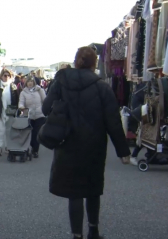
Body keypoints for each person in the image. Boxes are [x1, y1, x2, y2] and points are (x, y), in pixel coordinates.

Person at [42, 47, 131, 239]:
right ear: (94, 63)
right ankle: (93, 230)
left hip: (67, 143)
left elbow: (45, 108)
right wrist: (123, 151)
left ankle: (76, 235)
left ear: (76, 61)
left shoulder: (61, 82)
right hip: (94, 145)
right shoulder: (102, 87)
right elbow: (113, 122)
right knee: (92, 189)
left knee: (74, 193)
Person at [0, 68, 19, 156]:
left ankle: (8, 147)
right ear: (1, 76)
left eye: (8, 75)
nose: (6, 77)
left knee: (9, 130)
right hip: (0, 111)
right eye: (5, 75)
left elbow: (17, 99)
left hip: (10, 111)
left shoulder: (13, 87)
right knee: (0, 130)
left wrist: (17, 110)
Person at [19, 77, 46, 158]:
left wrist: (41, 90)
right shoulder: (23, 92)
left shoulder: (39, 90)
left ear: (34, 82)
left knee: (37, 133)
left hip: (39, 115)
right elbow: (21, 102)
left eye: (32, 81)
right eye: (28, 81)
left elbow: (45, 100)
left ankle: (35, 150)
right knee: (30, 134)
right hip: (29, 115)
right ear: (26, 83)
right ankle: (30, 146)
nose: (30, 83)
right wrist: (21, 107)